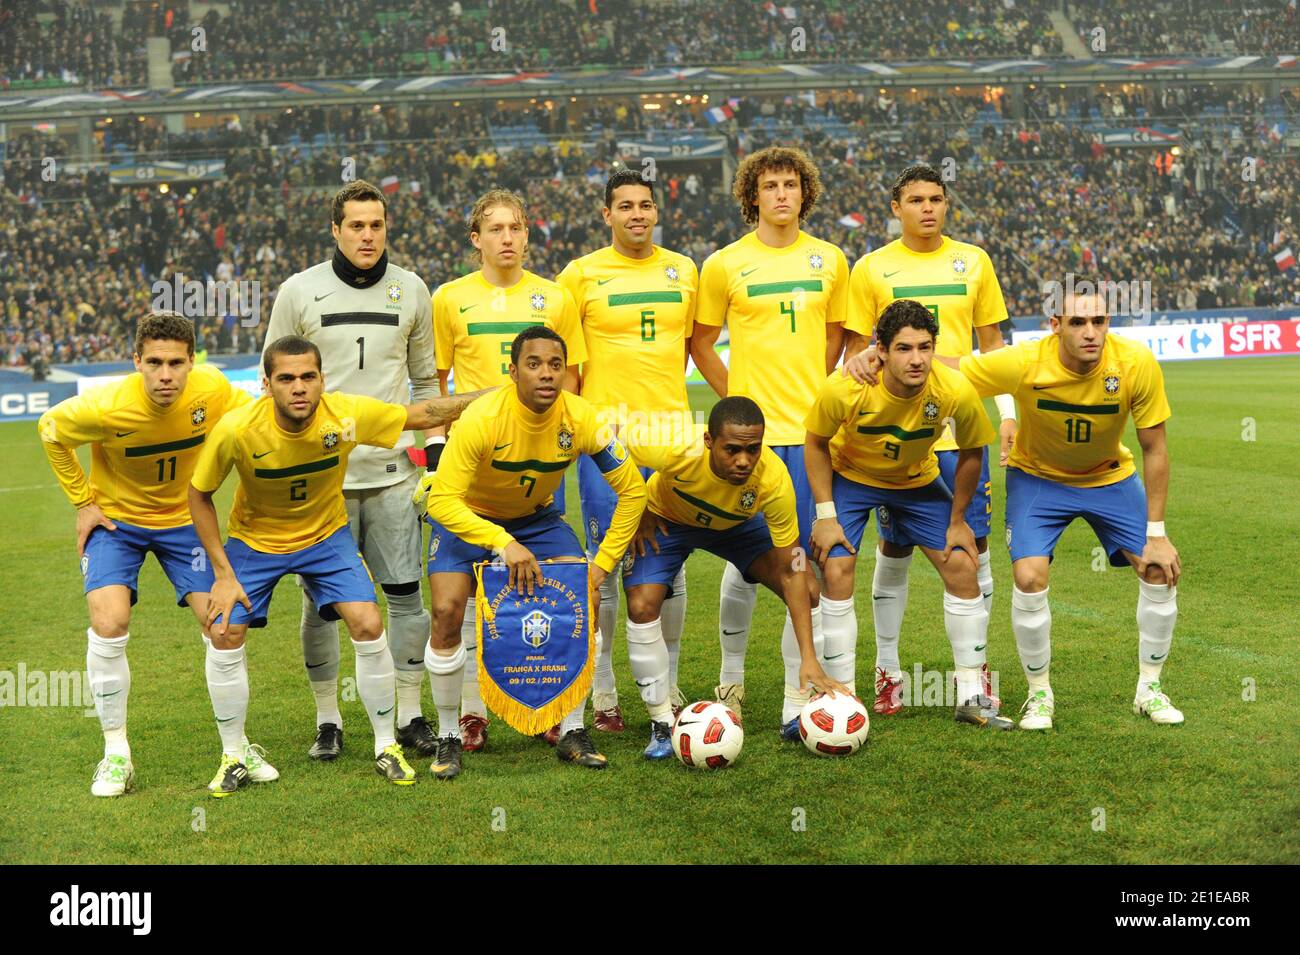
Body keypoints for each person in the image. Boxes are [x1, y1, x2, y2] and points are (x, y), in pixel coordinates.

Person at [188, 335, 484, 795]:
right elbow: (198, 495)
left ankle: (387, 745)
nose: (299, 387)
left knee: (368, 622)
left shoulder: (343, 415)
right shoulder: (237, 429)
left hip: (327, 537)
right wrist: (223, 575)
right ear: (266, 384)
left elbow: (421, 415)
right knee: (224, 629)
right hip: (255, 541)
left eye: (308, 376)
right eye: (286, 378)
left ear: (322, 379)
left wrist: (501, 395)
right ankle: (233, 753)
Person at [39, 311, 277, 796]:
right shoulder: (104, 406)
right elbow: (50, 430)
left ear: (193, 361)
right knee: (109, 622)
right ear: (136, 362)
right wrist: (83, 501)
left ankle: (237, 749)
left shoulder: (212, 390)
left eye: (175, 363)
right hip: (117, 524)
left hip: (186, 523)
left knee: (225, 628)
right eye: (153, 363)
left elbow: (257, 416)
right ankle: (115, 755)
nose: (165, 375)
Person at [414, 326, 647, 778]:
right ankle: (447, 737)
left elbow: (633, 492)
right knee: (444, 611)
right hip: (468, 517)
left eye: (556, 365)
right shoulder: (483, 418)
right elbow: (442, 500)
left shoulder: (581, 418)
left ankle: (573, 730)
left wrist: (599, 568)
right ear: (513, 371)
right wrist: (503, 542)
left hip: (537, 521)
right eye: (534, 364)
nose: (546, 374)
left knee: (587, 599)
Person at [263, 179, 440, 763]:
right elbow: (275, 381)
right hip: (322, 482)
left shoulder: (412, 290)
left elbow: (426, 381)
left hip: (393, 475)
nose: (368, 235)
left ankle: (411, 713)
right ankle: (328, 719)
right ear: (335, 230)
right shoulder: (299, 291)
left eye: (377, 225)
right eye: (356, 225)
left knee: (405, 595)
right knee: (319, 605)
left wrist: (434, 457)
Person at [952, 288, 1182, 729]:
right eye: (1077, 323)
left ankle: (1148, 689)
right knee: (1029, 576)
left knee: (1159, 568)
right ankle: (1040, 695)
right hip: (1039, 480)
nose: (1090, 332)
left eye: (1099, 321)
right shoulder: (1023, 362)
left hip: (1109, 478)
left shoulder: (1135, 363)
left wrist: (1157, 530)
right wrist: (878, 358)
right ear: (1055, 326)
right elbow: (954, 370)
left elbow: (1155, 448)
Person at [841, 164, 1015, 717]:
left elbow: (995, 348)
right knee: (892, 548)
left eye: (936, 198)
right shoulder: (871, 269)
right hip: (895, 438)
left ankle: (976, 674)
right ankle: (888, 673)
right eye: (915, 199)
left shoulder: (975, 261)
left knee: (971, 549)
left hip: (960, 428)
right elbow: (856, 354)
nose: (927, 208)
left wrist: (1007, 411)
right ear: (896, 207)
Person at [690, 145, 848, 727]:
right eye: (770, 186)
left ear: (805, 193)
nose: (782, 194)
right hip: (748, 444)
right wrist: (740, 400)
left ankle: (795, 699)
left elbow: (837, 338)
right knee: (743, 562)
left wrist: (813, 388)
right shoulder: (725, 264)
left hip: (807, 439)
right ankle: (730, 684)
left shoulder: (831, 260)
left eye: (791, 184)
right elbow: (701, 341)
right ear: (751, 196)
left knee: (798, 566)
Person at [430, 188, 587, 752]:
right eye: (495, 229)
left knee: (543, 592)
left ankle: (548, 705)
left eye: (516, 228)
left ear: (527, 234)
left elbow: (572, 383)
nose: (507, 238)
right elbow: (438, 387)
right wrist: (435, 456)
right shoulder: (449, 299)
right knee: (459, 601)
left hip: (535, 473)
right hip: (472, 472)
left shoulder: (555, 297)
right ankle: (469, 715)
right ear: (477, 239)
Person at [804, 300, 1007, 729]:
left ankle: (972, 695)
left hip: (916, 481)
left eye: (925, 347)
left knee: (962, 565)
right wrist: (826, 514)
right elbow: (816, 443)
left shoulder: (952, 389)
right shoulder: (846, 387)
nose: (916, 359)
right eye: (903, 349)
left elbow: (973, 452)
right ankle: (843, 697)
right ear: (880, 349)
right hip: (852, 477)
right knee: (836, 568)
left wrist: (957, 520)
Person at [557, 167, 698, 737]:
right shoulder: (579, 276)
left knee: (672, 565)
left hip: (671, 438)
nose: (637, 214)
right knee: (604, 566)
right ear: (607, 214)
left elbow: (685, 349)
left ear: (656, 212)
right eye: (625, 205)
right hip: (606, 443)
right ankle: (605, 692)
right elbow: (567, 367)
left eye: (645, 205)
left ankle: (669, 683)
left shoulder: (683, 269)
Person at [623, 396, 848, 753]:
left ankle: (795, 711)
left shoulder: (772, 477)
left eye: (752, 449)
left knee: (806, 585)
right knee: (641, 605)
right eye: (732, 450)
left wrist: (810, 656)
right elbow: (616, 444)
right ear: (709, 441)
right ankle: (663, 722)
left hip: (737, 528)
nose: (744, 460)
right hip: (669, 521)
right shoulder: (673, 446)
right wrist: (639, 506)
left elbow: (793, 565)